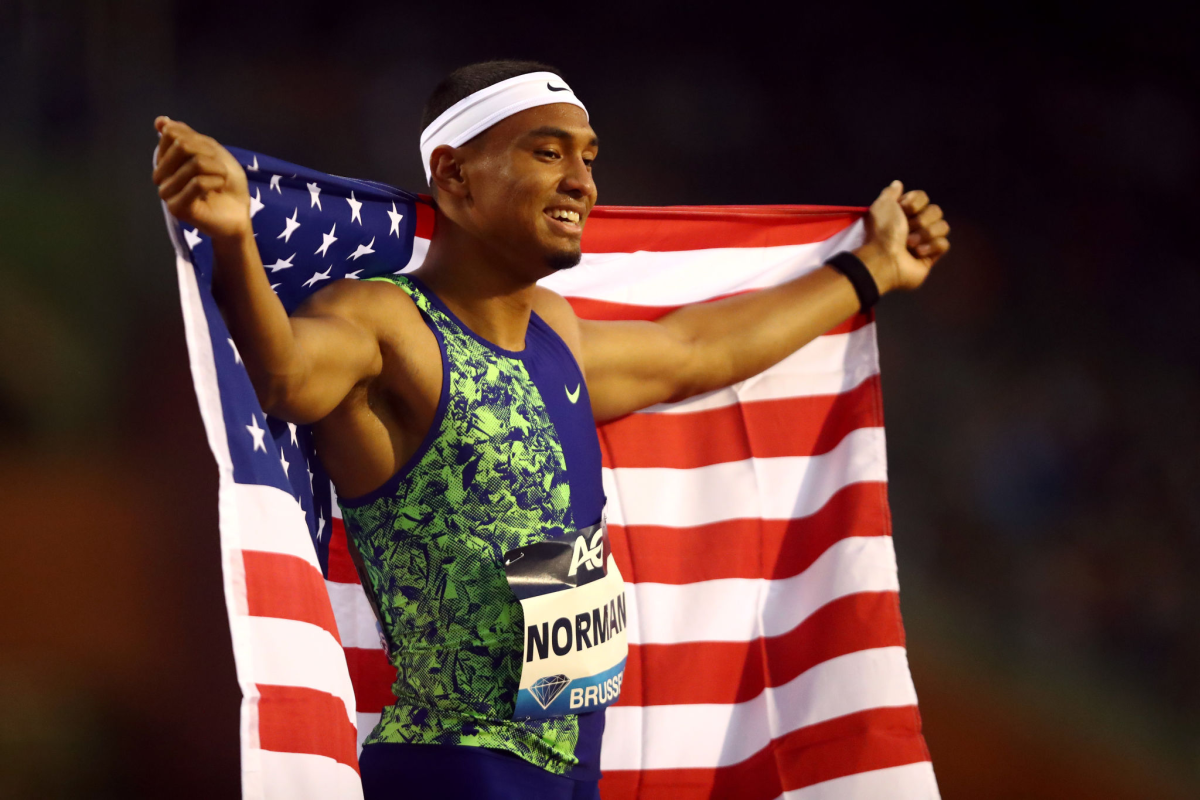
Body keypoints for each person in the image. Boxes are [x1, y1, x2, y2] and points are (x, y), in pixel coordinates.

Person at [151, 59, 950, 800]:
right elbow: (287, 376)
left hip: (570, 768)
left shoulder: (555, 337)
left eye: (590, 157)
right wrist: (233, 237)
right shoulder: (387, 323)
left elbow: (696, 350)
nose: (582, 182)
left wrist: (871, 269)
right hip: (454, 769)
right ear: (455, 175)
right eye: (548, 152)